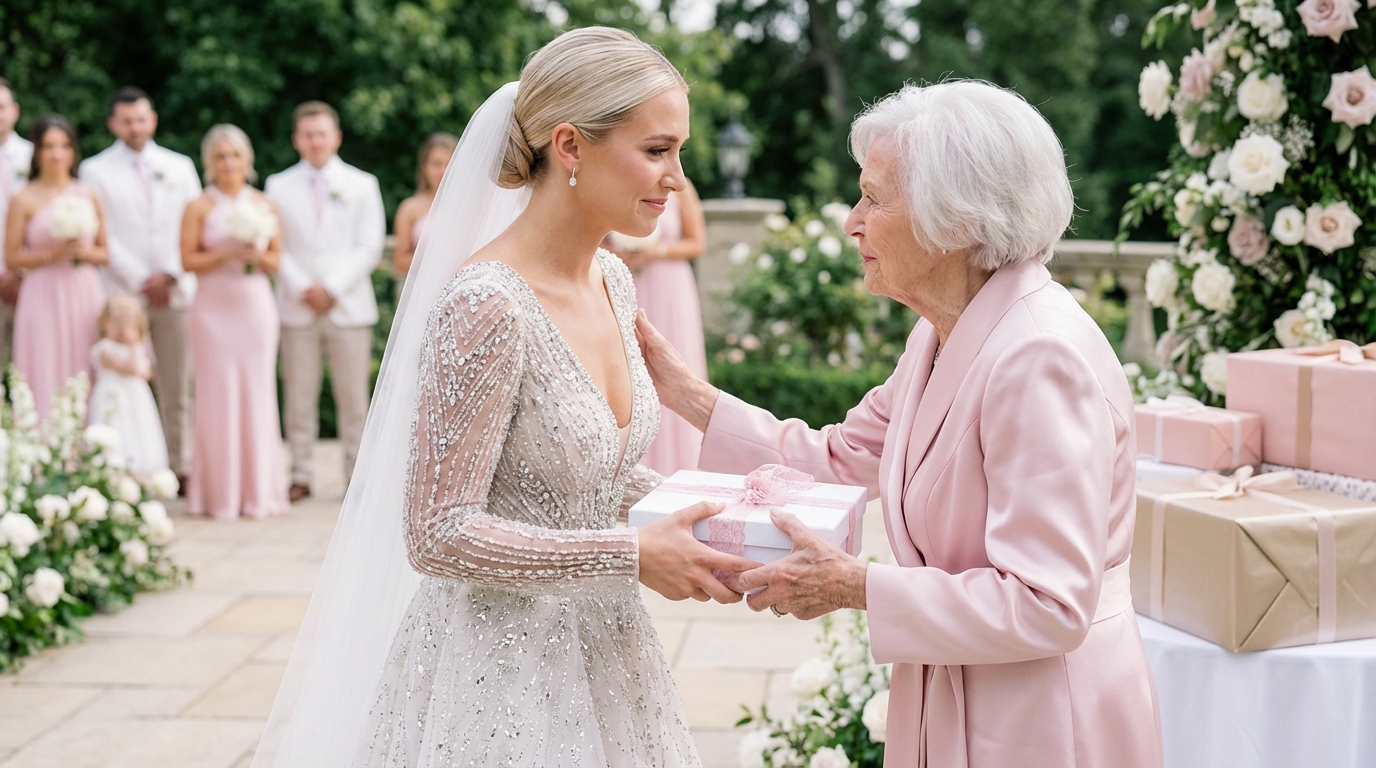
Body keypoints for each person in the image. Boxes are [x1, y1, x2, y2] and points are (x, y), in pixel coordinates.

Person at [255, 27, 758, 768]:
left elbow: (597, 477)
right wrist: (628, 553)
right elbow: (438, 532)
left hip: (611, 653)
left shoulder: (615, 281)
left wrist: (721, 513)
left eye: (677, 151)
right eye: (657, 150)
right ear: (570, 146)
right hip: (497, 672)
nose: (677, 178)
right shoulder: (485, 304)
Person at [638, 81, 1163, 767]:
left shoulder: (1040, 357)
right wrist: (684, 392)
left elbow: (1048, 603)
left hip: (1043, 714)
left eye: (874, 198)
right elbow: (838, 455)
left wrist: (854, 585)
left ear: (958, 221)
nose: (852, 222)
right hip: (957, 683)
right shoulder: (943, 331)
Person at [80, 87, 201, 486]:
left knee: (175, 382)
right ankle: (124, 467)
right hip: (122, 294)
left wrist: (170, 273)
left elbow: (193, 222)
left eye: (141, 119)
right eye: (126, 120)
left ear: (153, 120)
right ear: (113, 123)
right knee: (124, 380)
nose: (135, 127)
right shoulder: (95, 170)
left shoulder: (179, 166)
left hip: (174, 287)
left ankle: (177, 466)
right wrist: (139, 279)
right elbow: (101, 230)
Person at [265, 101, 385, 502]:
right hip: (297, 306)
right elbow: (274, 246)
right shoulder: (277, 186)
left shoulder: (362, 183)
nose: (316, 141)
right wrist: (304, 287)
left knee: (353, 398)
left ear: (336, 137)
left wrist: (331, 288)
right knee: (299, 396)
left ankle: (356, 475)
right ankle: (300, 473)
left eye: (322, 133)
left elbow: (369, 246)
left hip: (347, 306)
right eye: (308, 134)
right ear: (297, 139)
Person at [180, 124, 289, 520]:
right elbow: (188, 261)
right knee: (215, 394)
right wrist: (226, 253)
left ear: (247, 160)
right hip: (212, 310)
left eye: (235, 155)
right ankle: (218, 495)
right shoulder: (199, 206)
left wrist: (253, 255)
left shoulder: (264, 204)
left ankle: (259, 492)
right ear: (210, 162)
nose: (228, 163)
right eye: (220, 156)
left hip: (254, 309)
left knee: (257, 392)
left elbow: (276, 262)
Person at [3, 115, 109, 417]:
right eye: (49, 146)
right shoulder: (23, 199)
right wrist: (54, 255)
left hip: (84, 291)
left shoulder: (89, 194)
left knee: (84, 363)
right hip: (42, 292)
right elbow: (12, 257)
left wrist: (83, 252)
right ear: (37, 152)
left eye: (64, 146)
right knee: (44, 361)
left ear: (73, 151)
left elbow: (105, 253)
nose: (57, 154)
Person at [605, 183, 707, 474]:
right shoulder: (619, 186)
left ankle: (681, 463)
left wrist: (655, 251)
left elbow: (697, 242)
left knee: (675, 366)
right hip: (626, 284)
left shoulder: (681, 191)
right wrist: (615, 254)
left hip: (670, 288)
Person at [89, 295, 168, 476]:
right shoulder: (104, 349)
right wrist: (132, 345)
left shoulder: (137, 348)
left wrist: (134, 344)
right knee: (117, 429)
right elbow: (130, 369)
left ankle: (138, 473)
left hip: (136, 400)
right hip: (112, 398)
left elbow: (147, 373)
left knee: (137, 432)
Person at [391, 132, 456, 275]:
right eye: (437, 164)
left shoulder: (469, 206)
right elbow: (399, 261)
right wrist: (439, 258)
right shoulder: (410, 208)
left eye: (449, 164)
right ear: (425, 167)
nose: (443, 171)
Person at [0, 80, 33, 366]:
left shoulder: (37, 157)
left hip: (33, 282)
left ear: (15, 111)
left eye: (1, 107)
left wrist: (19, 271)